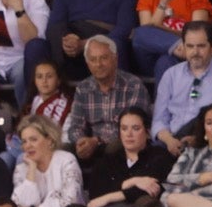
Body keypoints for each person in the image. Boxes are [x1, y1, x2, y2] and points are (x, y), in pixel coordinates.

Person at [151, 23, 212, 158]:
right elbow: (159, 120)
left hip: (207, 143)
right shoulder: (170, 75)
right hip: (171, 143)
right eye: (190, 46)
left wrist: (197, 139)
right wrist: (169, 140)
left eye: (201, 46)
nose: (195, 52)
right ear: (183, 46)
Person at [63, 35, 150, 168]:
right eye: (93, 60)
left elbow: (134, 128)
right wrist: (81, 141)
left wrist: (97, 141)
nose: (98, 64)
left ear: (115, 59)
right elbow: (75, 126)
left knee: (116, 147)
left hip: (120, 144)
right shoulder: (83, 88)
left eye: (104, 58)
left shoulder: (134, 86)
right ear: (87, 64)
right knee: (63, 151)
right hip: (90, 147)